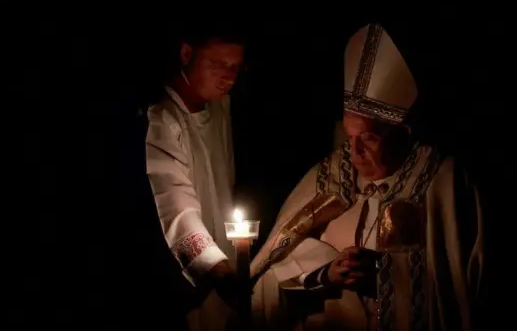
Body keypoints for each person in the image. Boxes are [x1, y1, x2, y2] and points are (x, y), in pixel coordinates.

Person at [250, 23, 485, 331]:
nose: (355, 151)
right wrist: (326, 272)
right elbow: (270, 274)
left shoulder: (441, 183)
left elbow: (458, 284)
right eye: (349, 137)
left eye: (370, 139)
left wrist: (384, 274)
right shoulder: (329, 176)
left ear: (403, 134)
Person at [146, 21, 246, 331]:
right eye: (218, 64)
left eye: (236, 67)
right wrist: (216, 269)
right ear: (187, 54)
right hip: (191, 281)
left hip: (226, 260)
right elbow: (175, 206)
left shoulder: (220, 107)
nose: (229, 76)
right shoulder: (162, 120)